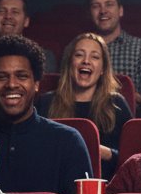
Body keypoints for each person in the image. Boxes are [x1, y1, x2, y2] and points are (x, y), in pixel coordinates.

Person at [0, 34, 93, 194]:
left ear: (36, 84)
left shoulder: (68, 140)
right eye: (2, 77)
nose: (11, 84)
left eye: (21, 76)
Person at [39, 31, 133, 180]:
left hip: (105, 186)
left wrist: (105, 153)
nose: (86, 61)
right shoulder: (46, 102)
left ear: (103, 69)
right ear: (70, 63)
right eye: (79, 55)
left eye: (94, 56)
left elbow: (133, 158)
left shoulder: (116, 104)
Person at [87, 0, 141, 109]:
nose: (103, 11)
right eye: (96, 6)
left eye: (109, 4)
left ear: (120, 10)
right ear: (90, 13)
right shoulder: (78, 50)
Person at [0, 0, 57, 74]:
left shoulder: (44, 57)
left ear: (26, 21)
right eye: (2, 11)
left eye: (15, 12)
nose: (8, 16)